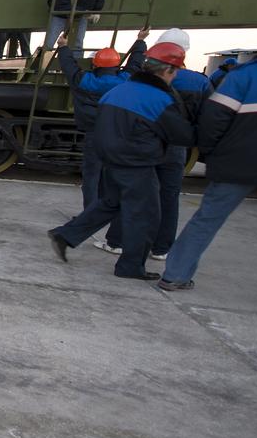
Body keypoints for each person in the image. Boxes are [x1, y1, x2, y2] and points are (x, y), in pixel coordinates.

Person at [48, 42, 195, 280]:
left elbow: (72, 71)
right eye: (175, 72)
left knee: (109, 203)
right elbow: (182, 135)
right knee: (145, 215)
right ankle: (130, 266)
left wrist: (64, 49)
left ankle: (66, 235)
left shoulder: (116, 92)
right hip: (136, 162)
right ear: (167, 70)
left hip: (110, 158)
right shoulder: (157, 98)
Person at [158, 42, 257, 290]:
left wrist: (211, 151)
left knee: (207, 219)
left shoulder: (246, 75)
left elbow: (213, 118)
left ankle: (175, 275)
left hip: (239, 160)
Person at [97, 28, 210, 258]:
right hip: (176, 147)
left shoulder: (142, 80)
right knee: (168, 197)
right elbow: (208, 118)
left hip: (144, 143)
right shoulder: (199, 82)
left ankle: (117, 241)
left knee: (130, 192)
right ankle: (161, 248)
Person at [56, 28, 149, 207]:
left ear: (94, 65)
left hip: (94, 134)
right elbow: (135, 63)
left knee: (91, 175)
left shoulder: (84, 80)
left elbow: (69, 66)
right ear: (116, 66)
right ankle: (109, 210)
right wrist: (140, 40)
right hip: (118, 135)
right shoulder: (126, 80)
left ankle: (90, 212)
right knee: (113, 174)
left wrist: (63, 47)